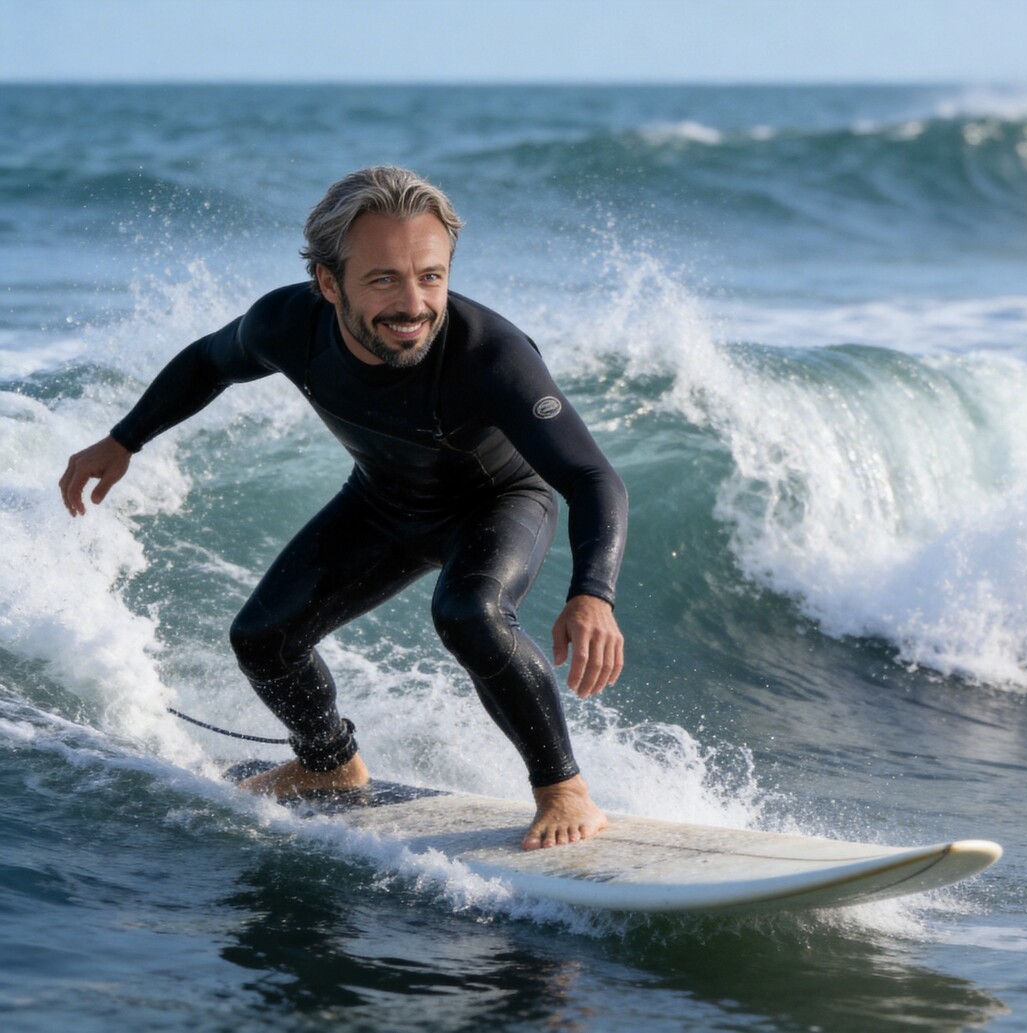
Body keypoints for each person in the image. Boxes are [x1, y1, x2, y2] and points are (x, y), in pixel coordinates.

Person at [58, 166, 627, 851]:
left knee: (468, 612)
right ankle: (329, 765)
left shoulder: (491, 356)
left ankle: (563, 788)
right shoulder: (289, 325)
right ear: (329, 284)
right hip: (385, 500)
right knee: (263, 638)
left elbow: (592, 475)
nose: (414, 303)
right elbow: (210, 361)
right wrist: (124, 440)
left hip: (497, 502)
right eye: (384, 278)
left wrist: (594, 593)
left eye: (431, 276)